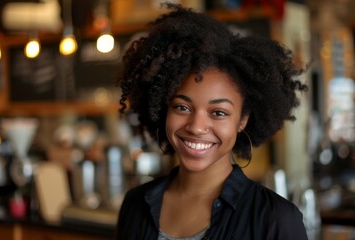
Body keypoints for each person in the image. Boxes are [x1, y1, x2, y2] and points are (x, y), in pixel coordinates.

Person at [116, 3, 309, 240]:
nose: (196, 127)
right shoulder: (135, 204)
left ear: (243, 120)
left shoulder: (276, 219)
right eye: (182, 107)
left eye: (218, 112)